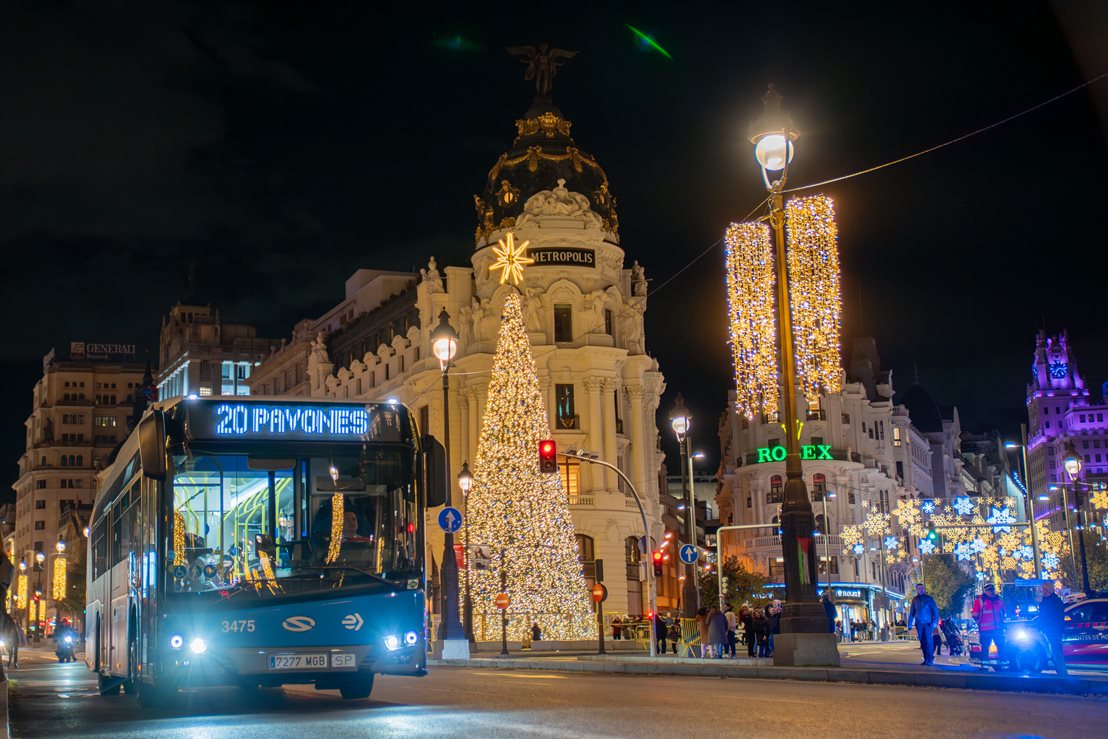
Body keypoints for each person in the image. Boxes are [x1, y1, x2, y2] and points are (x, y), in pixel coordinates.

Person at [1037, 581, 1067, 676]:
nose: (1042, 591)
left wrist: (1039, 625)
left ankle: (1062, 672)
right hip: (1050, 630)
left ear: (1048, 590)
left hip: (1053, 630)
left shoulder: (1052, 601)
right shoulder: (1050, 600)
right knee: (1055, 651)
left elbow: (1049, 617)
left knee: (1056, 651)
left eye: (1043, 589)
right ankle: (1060, 671)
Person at [972, 582, 1006, 662]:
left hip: (998, 629)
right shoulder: (980, 601)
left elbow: (1004, 613)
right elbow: (975, 615)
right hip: (985, 630)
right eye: (990, 590)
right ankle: (985, 663)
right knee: (985, 647)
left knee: (1001, 646)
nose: (992, 592)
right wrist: (979, 624)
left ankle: (1003, 662)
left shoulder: (999, 600)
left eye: (993, 590)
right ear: (985, 591)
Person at [907, 582, 939, 666]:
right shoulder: (915, 600)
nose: (920, 590)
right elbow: (912, 613)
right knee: (922, 642)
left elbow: (935, 611)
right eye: (919, 588)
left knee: (929, 641)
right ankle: (926, 659)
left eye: (922, 588)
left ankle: (930, 659)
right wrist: (909, 624)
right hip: (919, 624)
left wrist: (935, 622)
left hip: (928, 623)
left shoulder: (929, 599)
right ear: (917, 590)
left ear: (924, 589)